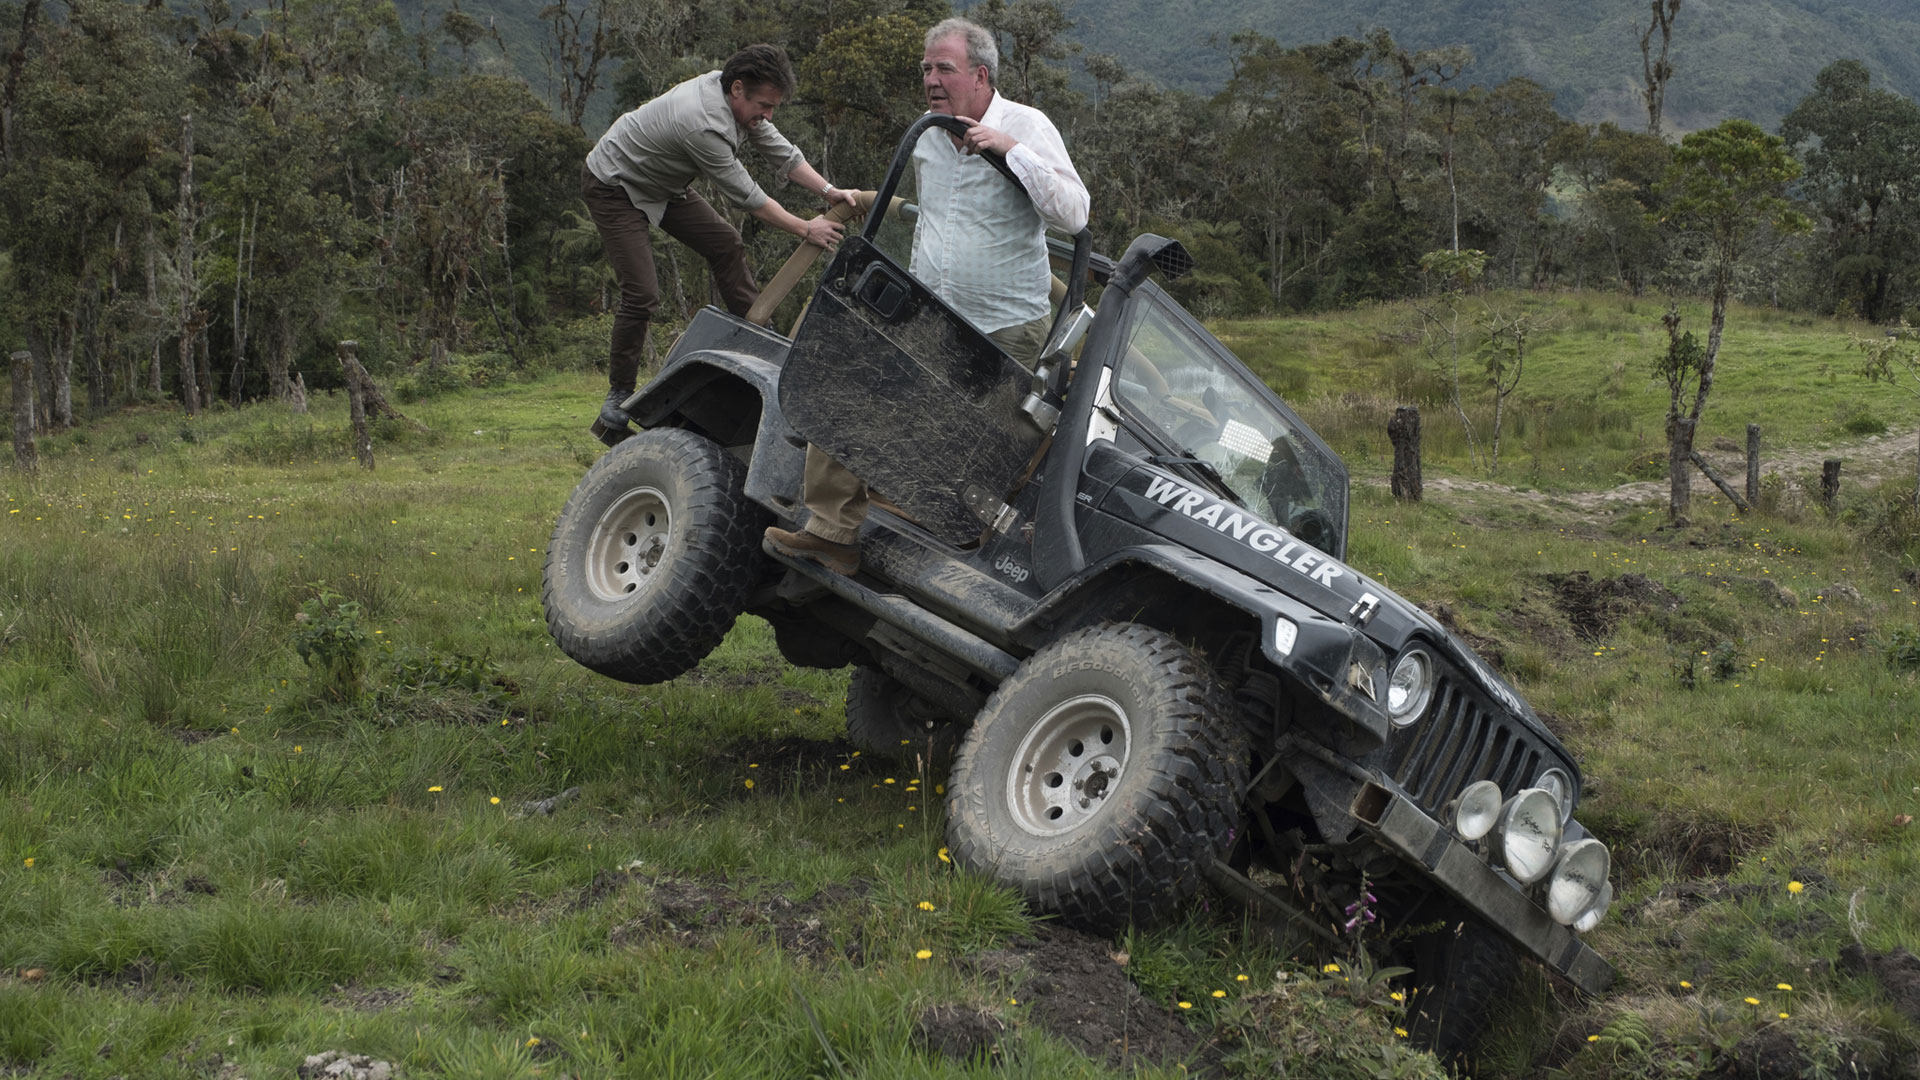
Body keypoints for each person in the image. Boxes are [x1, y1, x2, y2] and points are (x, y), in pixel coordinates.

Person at [764, 17, 1089, 575]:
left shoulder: (1027, 126)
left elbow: (1073, 212)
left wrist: (1010, 151)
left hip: (1007, 323)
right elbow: (933, 219)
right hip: (930, 310)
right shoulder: (927, 133)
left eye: (944, 68)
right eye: (926, 69)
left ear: (981, 75)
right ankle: (832, 530)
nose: (931, 79)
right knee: (854, 385)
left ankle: (960, 561)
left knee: (981, 445)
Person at [583, 44, 858, 435]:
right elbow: (749, 197)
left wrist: (828, 190)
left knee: (726, 244)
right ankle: (618, 393)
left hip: (664, 183)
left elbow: (780, 149)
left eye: (774, 106)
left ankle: (764, 346)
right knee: (642, 292)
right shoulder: (702, 123)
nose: (768, 115)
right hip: (615, 183)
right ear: (737, 89)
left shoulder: (733, 94)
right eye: (764, 104)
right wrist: (806, 227)